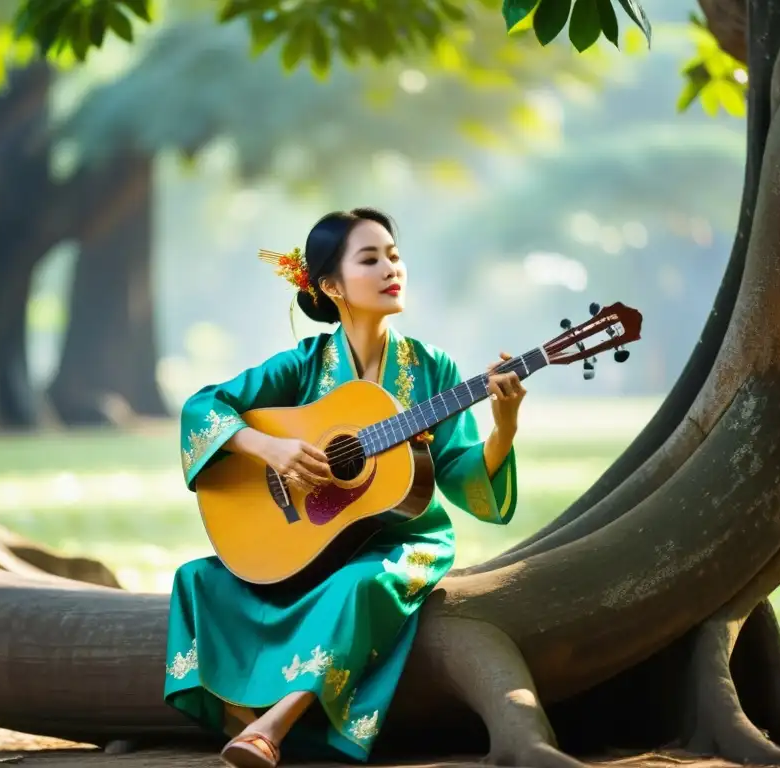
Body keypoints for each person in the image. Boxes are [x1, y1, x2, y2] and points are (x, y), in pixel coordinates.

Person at [164, 207, 526, 768]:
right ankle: (244, 716)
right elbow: (204, 408)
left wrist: (504, 427)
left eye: (394, 255)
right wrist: (273, 448)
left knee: (360, 585)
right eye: (370, 258)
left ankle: (271, 728)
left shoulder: (433, 369)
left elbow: (462, 476)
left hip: (400, 542)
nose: (391, 268)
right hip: (312, 539)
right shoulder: (305, 364)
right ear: (331, 285)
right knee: (198, 579)